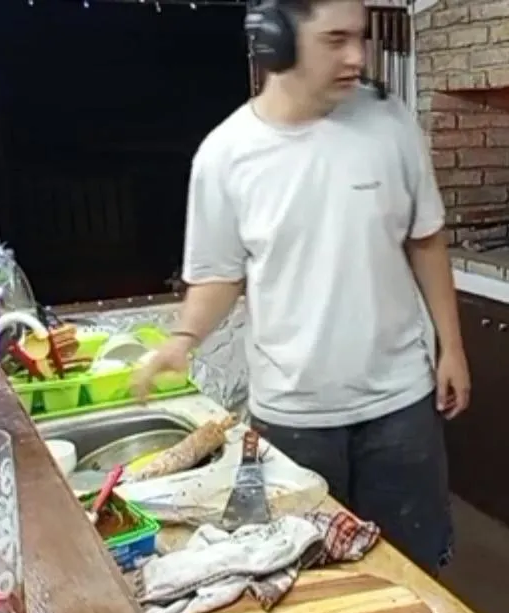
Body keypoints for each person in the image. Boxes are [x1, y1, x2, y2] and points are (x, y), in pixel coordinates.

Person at [131, 0, 469, 574]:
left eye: (360, 37)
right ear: (276, 40)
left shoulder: (391, 124)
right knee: (310, 578)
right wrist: (183, 338)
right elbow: (220, 275)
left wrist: (452, 348)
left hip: (401, 406)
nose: (357, 56)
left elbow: (426, 241)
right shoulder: (226, 156)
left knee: (413, 574)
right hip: (293, 417)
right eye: (336, 39)